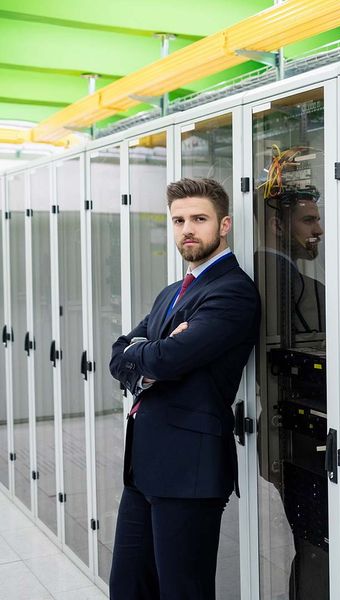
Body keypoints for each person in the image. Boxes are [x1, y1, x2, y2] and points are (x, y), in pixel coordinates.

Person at [109, 177, 260, 600]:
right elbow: (120, 354)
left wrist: (149, 353)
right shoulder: (172, 293)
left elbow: (163, 360)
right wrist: (150, 352)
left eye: (199, 219)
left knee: (182, 590)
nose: (187, 229)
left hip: (188, 469)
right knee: (128, 585)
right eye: (178, 220)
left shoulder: (233, 292)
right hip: (143, 464)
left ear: (224, 224)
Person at [256, 189, 340, 599]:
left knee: (311, 546)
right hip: (314, 446)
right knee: (321, 550)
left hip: (291, 438)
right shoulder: (293, 285)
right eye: (309, 220)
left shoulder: (259, 277)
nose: (320, 230)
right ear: (277, 225)